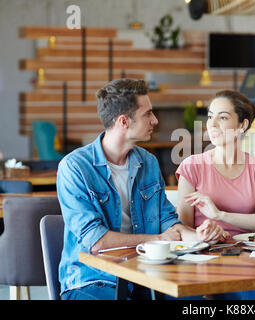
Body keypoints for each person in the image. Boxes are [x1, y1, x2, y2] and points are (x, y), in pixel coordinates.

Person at [57, 79, 227, 300]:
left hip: (147, 274)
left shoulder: (148, 161)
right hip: (94, 280)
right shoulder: (75, 167)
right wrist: (157, 239)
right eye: (148, 114)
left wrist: (199, 237)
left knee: (196, 301)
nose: (155, 120)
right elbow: (96, 241)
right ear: (124, 121)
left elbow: (167, 220)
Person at [176, 90, 255, 300]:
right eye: (210, 116)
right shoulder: (192, 165)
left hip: (245, 257)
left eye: (223, 117)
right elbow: (181, 226)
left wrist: (220, 215)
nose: (212, 124)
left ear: (242, 125)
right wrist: (203, 235)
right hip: (202, 256)